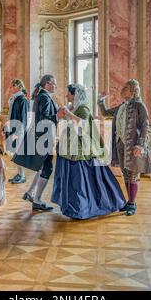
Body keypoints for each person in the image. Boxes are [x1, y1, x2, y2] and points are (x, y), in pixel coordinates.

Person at [52, 84, 125, 219]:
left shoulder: (83, 108)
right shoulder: (73, 108)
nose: (66, 95)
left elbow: (82, 125)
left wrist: (68, 114)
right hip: (70, 145)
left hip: (82, 147)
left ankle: (82, 209)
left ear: (75, 95)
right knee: (73, 180)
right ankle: (73, 208)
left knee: (81, 180)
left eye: (68, 93)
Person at [98, 79, 151, 216]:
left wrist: (140, 144)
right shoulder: (122, 106)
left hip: (133, 145)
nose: (122, 89)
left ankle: (132, 203)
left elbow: (145, 125)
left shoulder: (139, 106)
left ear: (133, 91)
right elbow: (105, 113)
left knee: (133, 174)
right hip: (121, 144)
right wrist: (100, 100)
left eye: (126, 87)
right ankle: (129, 202)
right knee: (126, 174)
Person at [12, 75, 60, 212]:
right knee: (47, 168)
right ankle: (37, 200)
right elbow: (44, 117)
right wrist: (58, 116)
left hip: (42, 136)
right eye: (54, 84)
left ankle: (31, 193)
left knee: (42, 167)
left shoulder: (42, 96)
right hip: (44, 137)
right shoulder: (44, 97)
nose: (56, 86)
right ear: (48, 84)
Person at [4, 79, 29, 184]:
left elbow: (23, 118)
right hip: (13, 128)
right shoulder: (14, 99)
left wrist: (18, 133)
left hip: (19, 130)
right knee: (15, 153)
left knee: (19, 153)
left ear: (19, 87)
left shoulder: (22, 99)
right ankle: (19, 174)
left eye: (13, 86)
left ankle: (22, 176)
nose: (11, 88)